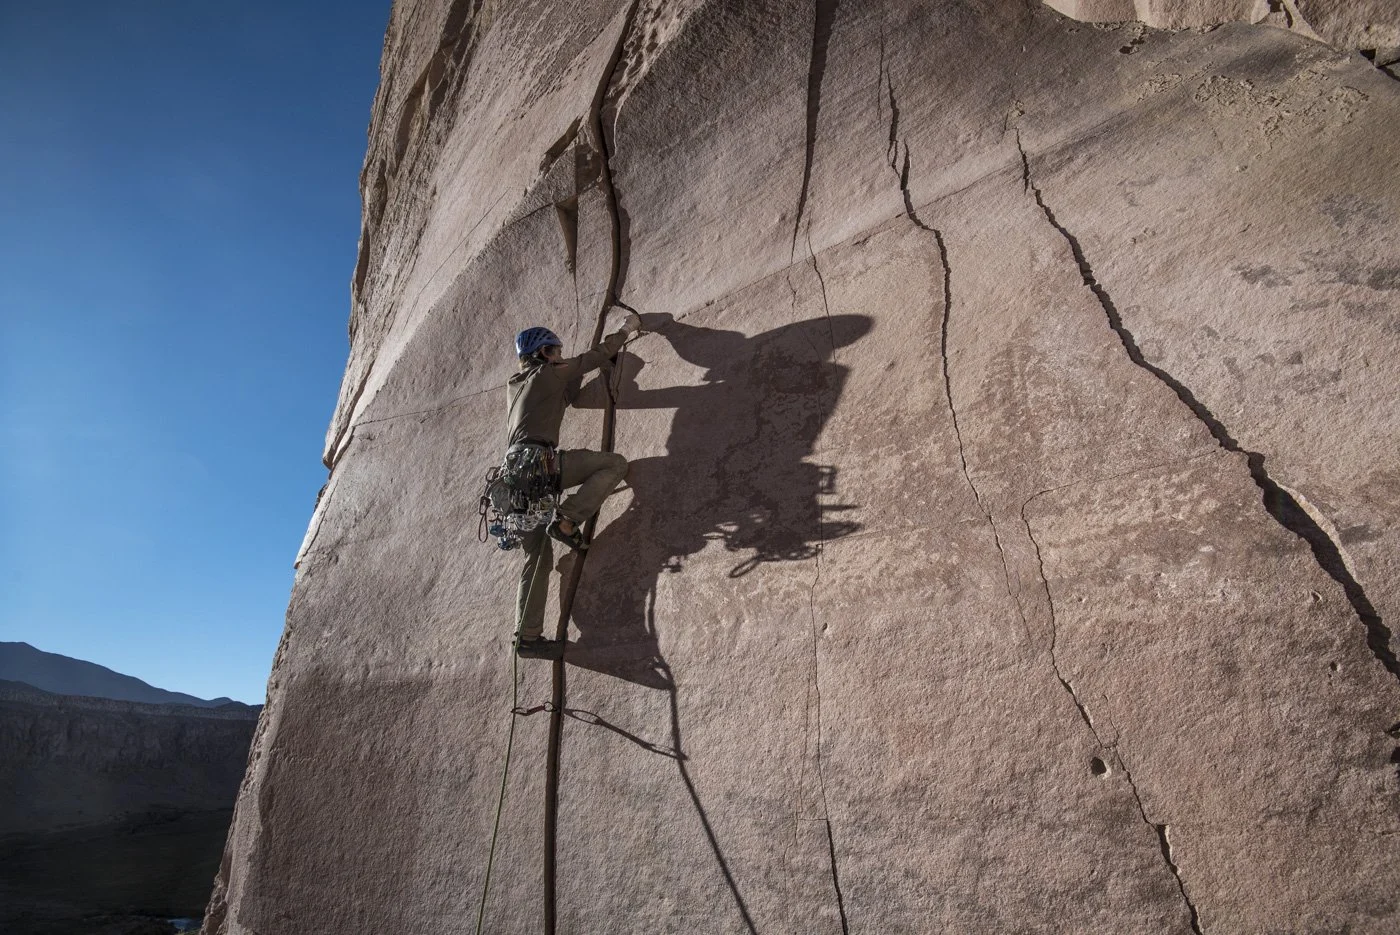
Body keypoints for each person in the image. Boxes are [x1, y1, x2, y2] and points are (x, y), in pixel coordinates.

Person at [507, 309, 641, 659]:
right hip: (541, 465)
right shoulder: (546, 373)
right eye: (556, 351)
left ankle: (527, 638)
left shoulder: (517, 386)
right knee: (614, 464)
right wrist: (625, 331)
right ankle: (567, 520)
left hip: (516, 480)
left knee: (537, 556)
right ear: (543, 353)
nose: (560, 356)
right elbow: (591, 358)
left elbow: (565, 396)